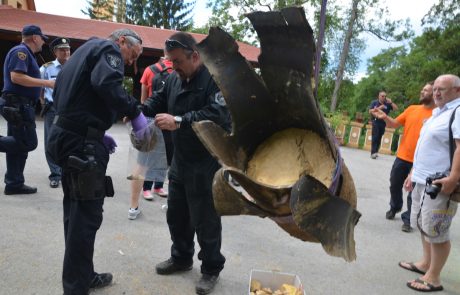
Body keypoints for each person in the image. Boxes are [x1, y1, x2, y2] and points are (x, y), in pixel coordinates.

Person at [46, 29, 147, 294]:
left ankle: (83, 275)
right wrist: (135, 112)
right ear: (122, 41)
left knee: (75, 212)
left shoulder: (80, 55)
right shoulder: (108, 49)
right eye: (132, 56)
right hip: (81, 147)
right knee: (86, 217)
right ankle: (76, 287)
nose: (130, 65)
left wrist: (94, 130)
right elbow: (106, 85)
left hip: (65, 137)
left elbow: (67, 96)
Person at [142, 32, 231, 295]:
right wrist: (136, 112)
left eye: (178, 61)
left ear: (195, 56)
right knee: (177, 214)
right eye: (171, 61)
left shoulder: (216, 79)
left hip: (207, 162)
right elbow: (156, 101)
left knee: (206, 219)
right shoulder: (172, 79)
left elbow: (218, 115)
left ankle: (211, 269)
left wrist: (179, 120)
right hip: (180, 160)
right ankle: (181, 258)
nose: (173, 66)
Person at [399, 74, 460, 292]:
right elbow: (425, 147)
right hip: (421, 178)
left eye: (442, 89)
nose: (437, 92)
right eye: (435, 88)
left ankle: (433, 277)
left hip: (440, 182)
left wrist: (453, 178)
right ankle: (425, 264)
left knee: (437, 229)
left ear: (457, 91)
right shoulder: (437, 113)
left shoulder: (458, 112)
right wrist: (412, 173)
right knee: (424, 224)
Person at [371, 83, 435, 231]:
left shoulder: (437, 114)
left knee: (414, 191)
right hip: (402, 157)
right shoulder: (412, 109)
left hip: (422, 161)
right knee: (394, 184)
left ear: (434, 93)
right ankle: (395, 206)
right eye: (423, 89)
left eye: (425, 90)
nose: (422, 91)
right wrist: (385, 117)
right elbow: (394, 124)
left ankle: (408, 219)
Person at [0, 25, 54, 195]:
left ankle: (14, 183)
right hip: (18, 105)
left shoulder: (27, 54)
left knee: (18, 144)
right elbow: (16, 77)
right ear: (35, 38)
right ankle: (14, 182)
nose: (43, 43)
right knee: (27, 143)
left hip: (19, 105)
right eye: (42, 39)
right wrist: (47, 83)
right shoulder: (20, 52)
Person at [40, 37, 71, 188]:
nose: (66, 52)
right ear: (55, 51)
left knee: (68, 141)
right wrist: (43, 102)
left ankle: (66, 171)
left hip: (70, 109)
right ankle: (55, 174)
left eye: (68, 49)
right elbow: (39, 88)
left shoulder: (75, 66)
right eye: (62, 49)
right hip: (52, 108)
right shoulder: (46, 68)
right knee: (51, 141)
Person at [368, 91, 398, 159]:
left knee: (379, 137)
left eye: (385, 96)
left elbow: (396, 109)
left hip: (383, 122)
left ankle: (376, 152)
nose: (384, 97)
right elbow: (370, 111)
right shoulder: (374, 102)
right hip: (376, 121)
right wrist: (379, 108)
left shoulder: (387, 104)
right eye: (382, 96)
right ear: (379, 96)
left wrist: (391, 102)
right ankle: (373, 153)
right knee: (375, 136)